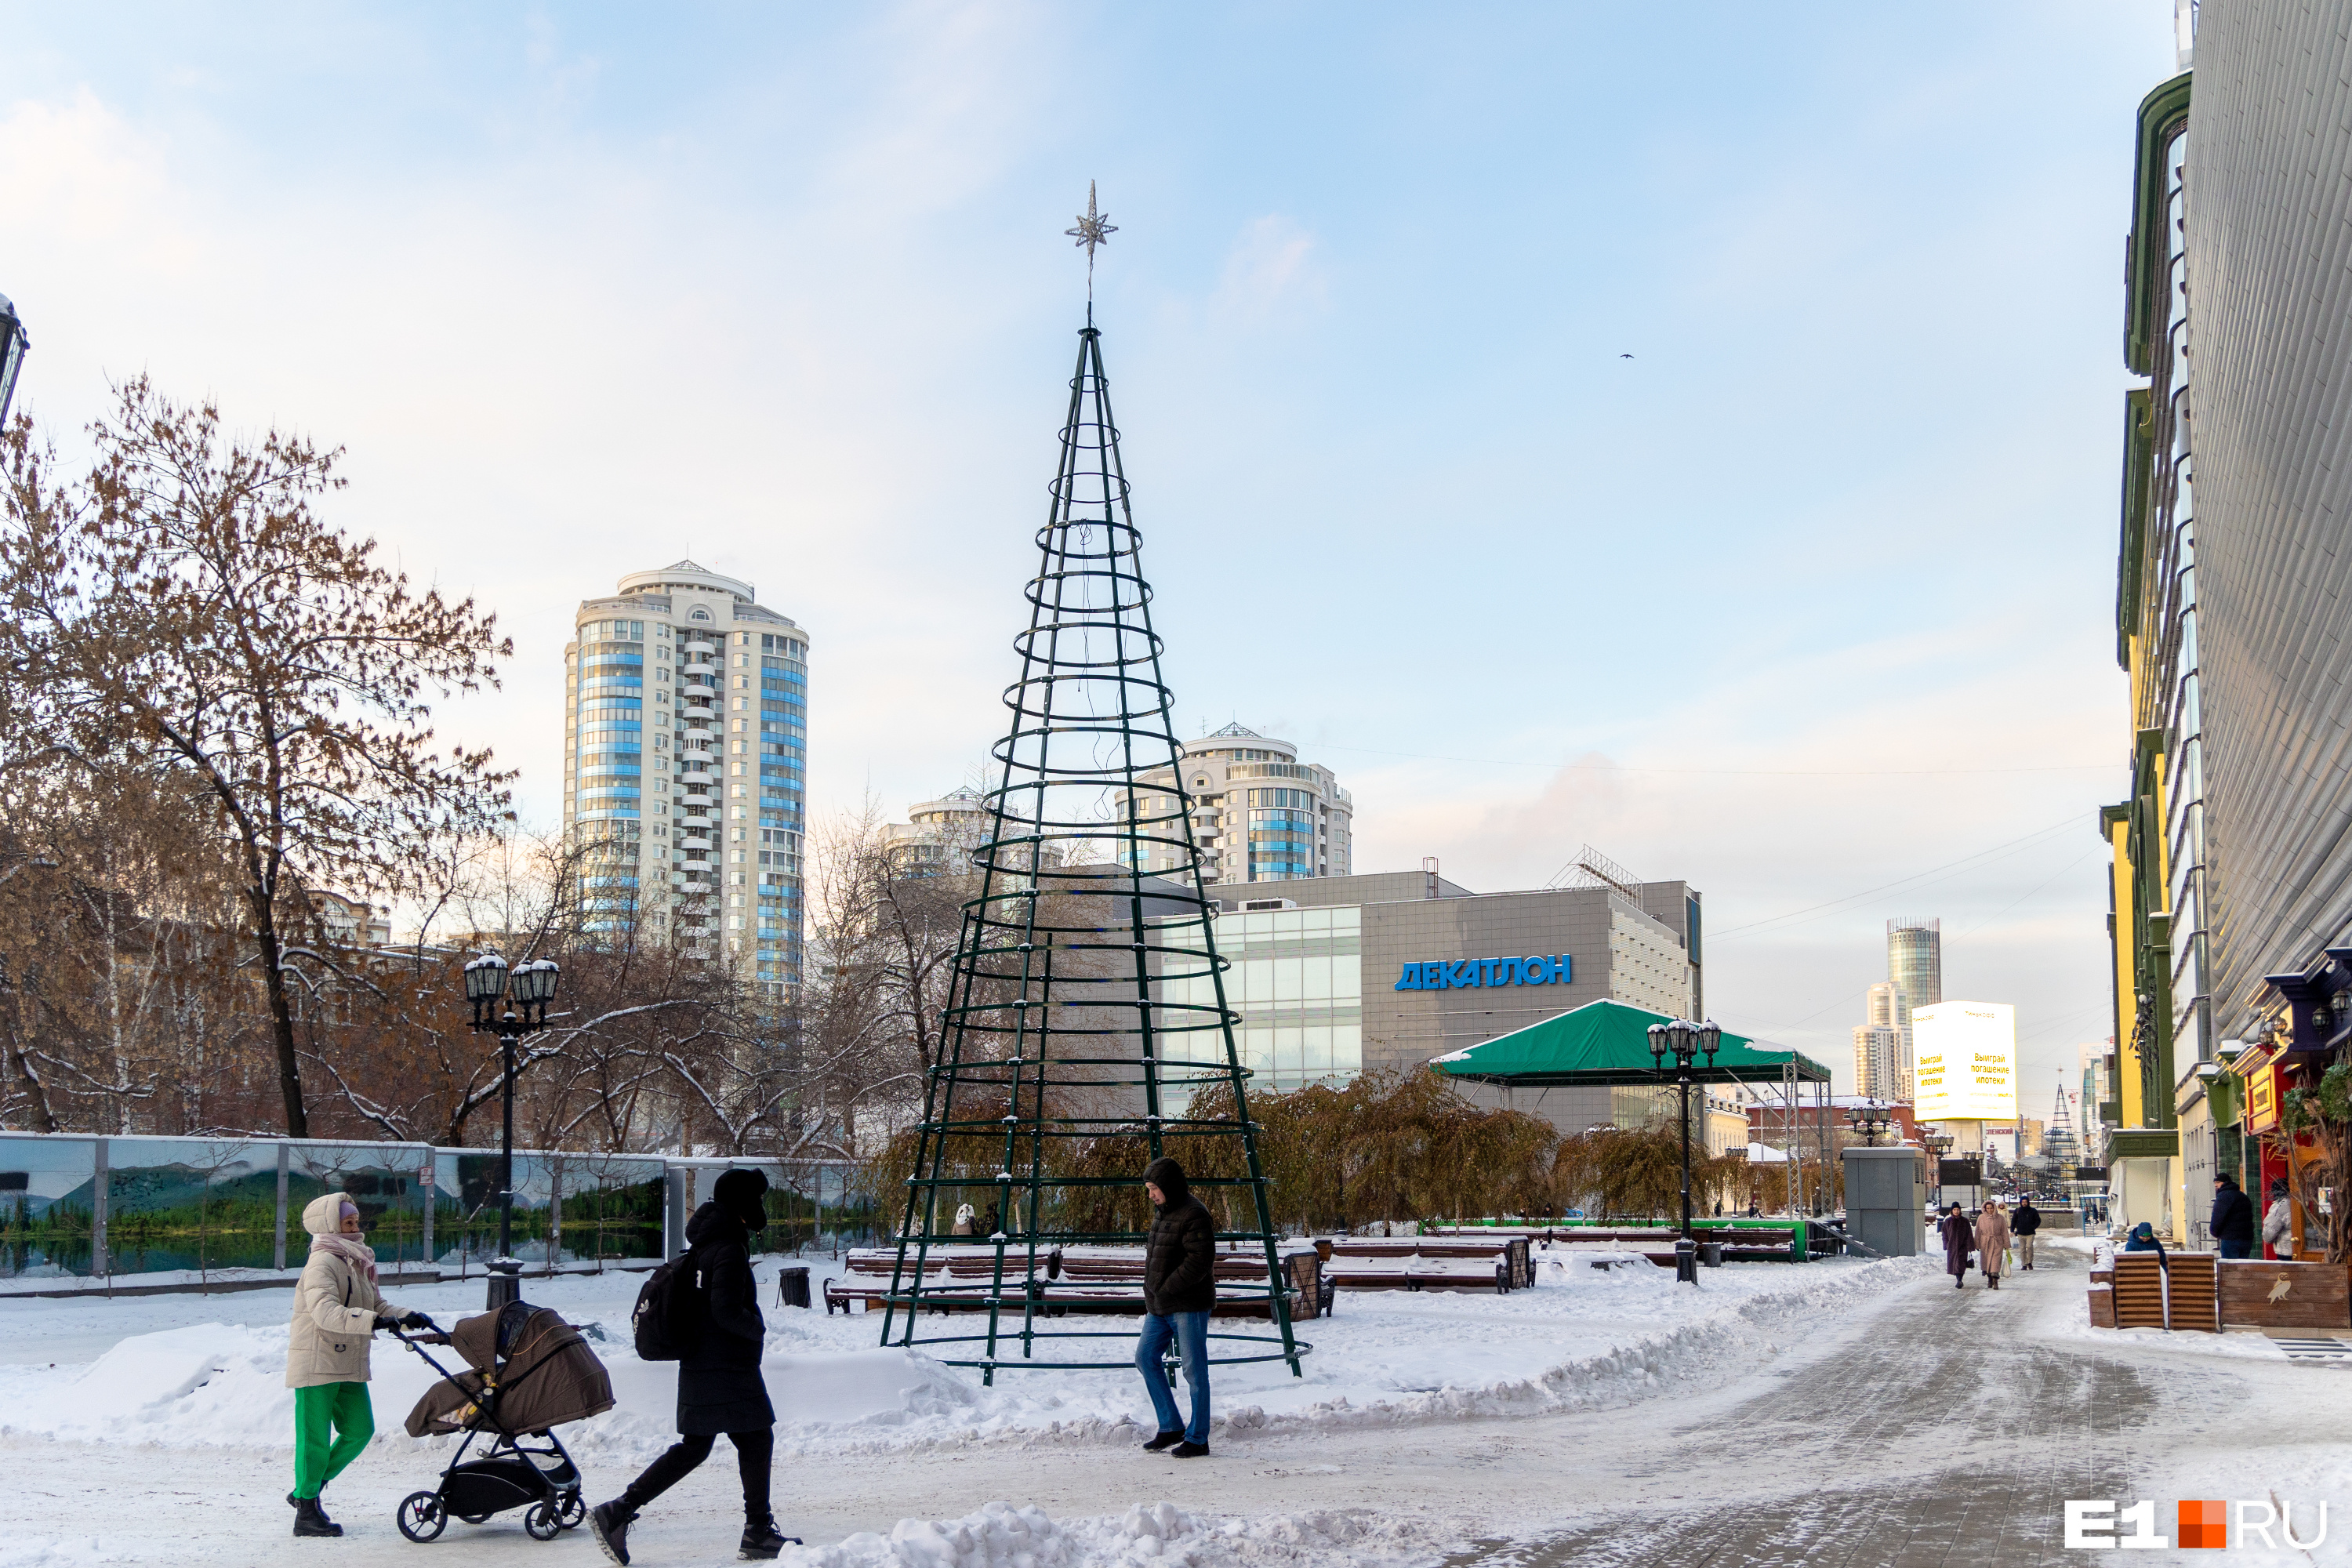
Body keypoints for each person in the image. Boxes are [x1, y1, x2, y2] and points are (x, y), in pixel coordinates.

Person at [592, 1169, 792, 1565]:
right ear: (743, 1205)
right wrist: (757, 1327)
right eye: (757, 1200)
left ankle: (620, 1509)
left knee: (702, 1447)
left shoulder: (706, 1244)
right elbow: (725, 1310)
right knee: (752, 1440)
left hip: (704, 1363)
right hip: (727, 1367)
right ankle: (756, 1532)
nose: (761, 1208)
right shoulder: (729, 1249)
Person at [284, 1192, 431, 1538]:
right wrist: (372, 1322)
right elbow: (325, 1312)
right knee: (314, 1440)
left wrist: (406, 1317)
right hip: (316, 1361)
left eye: (356, 1221)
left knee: (359, 1430)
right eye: (348, 1222)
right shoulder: (322, 1263)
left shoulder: (355, 1260)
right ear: (330, 1225)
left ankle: (308, 1488)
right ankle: (306, 1512)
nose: (355, 1227)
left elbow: (376, 1304)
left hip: (347, 1360)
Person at [1135, 1156, 1216, 1458]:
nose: (1151, 1194)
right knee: (1145, 1357)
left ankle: (1198, 1438)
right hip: (1160, 1306)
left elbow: (1200, 1261)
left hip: (1188, 1305)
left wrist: (1167, 1288)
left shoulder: (1194, 1213)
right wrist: (1153, 1292)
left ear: (1168, 1185)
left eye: (1154, 1188)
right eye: (1149, 1189)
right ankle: (1171, 1426)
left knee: (1194, 1372)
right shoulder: (1163, 1212)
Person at [2210, 1173, 2256, 1260]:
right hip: (2246, 1238)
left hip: (2230, 1239)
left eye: (2218, 1182)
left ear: (2225, 1183)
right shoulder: (2243, 1196)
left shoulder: (2223, 1196)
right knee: (2243, 1267)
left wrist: (2214, 1232)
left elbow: (2218, 1217)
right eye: (2215, 1183)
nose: (2216, 1185)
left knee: (2230, 1268)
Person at [1976, 1198, 2012, 1290]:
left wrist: (2006, 1244)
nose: (1990, 1210)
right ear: (1985, 1209)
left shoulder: (2000, 1218)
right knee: (1987, 1263)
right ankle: (1989, 1279)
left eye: (1991, 1208)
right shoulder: (1981, 1218)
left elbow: (2004, 1232)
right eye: (1988, 1208)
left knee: (1995, 1262)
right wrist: (1977, 1244)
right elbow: (1978, 1232)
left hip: (1997, 1242)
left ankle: (1995, 1280)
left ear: (1994, 1208)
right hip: (1985, 1242)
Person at [1938, 1202, 1972, 1289]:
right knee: (1955, 1263)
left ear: (1960, 1210)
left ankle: (1959, 1280)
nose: (1956, 1211)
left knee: (1960, 1264)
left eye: (1957, 1209)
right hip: (1952, 1247)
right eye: (1954, 1210)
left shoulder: (1965, 1221)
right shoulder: (1948, 1221)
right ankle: (1959, 1280)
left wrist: (1970, 1246)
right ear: (1952, 1211)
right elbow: (1945, 1234)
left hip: (1962, 1246)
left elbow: (1969, 1234)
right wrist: (1946, 1244)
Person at [2263, 1178, 2295, 1260]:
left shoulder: (2279, 1206)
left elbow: (2268, 1235)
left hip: (2286, 1250)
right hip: (2302, 1248)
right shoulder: (2298, 1202)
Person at [2011, 1196, 2041, 1270]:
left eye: (2025, 1202)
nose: (2024, 1203)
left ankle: (2029, 1262)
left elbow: (2038, 1220)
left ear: (2028, 1202)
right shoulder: (2017, 1211)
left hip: (2030, 1233)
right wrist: (2012, 1230)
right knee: (2022, 1249)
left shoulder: (2033, 1211)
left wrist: (2033, 1227)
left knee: (2029, 1246)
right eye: (2023, 1202)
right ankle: (2024, 1264)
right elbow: (2014, 1221)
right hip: (2020, 1233)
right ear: (2020, 1203)